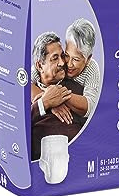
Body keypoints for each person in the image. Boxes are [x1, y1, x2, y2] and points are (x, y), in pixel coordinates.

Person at [30, 32, 87, 160]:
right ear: (39, 66)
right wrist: (44, 103)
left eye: (62, 56)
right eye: (55, 58)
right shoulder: (25, 91)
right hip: (37, 161)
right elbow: (18, 126)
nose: (62, 62)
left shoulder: (78, 90)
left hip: (75, 158)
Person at [31, 18, 100, 118]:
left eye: (76, 59)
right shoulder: (43, 67)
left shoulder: (91, 68)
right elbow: (26, 83)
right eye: (66, 55)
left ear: (88, 59)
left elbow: (90, 107)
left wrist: (58, 96)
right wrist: (49, 101)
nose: (67, 64)